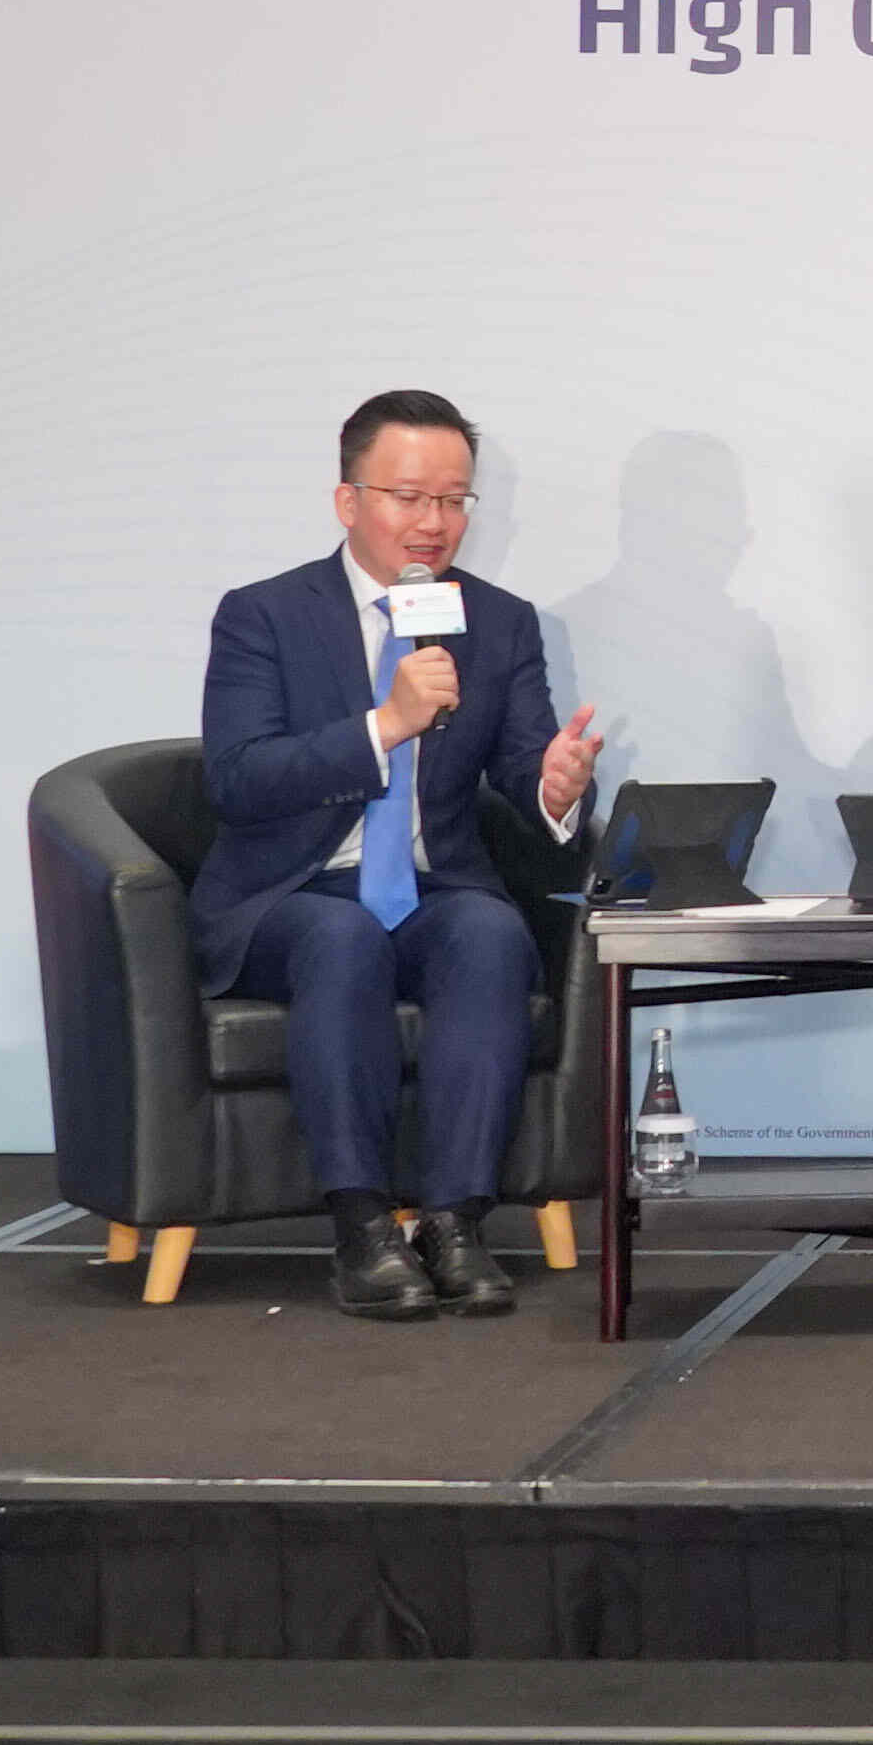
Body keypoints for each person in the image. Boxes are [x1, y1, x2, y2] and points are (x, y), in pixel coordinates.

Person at [191, 389, 609, 1320]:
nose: (433, 523)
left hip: (433, 885)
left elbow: (523, 769)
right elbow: (238, 779)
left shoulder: (498, 621)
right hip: (288, 893)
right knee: (341, 941)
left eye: (454, 501)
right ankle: (364, 1228)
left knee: (491, 937)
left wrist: (556, 786)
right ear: (349, 501)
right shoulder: (263, 615)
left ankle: (455, 1222)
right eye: (410, 497)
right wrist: (387, 724)